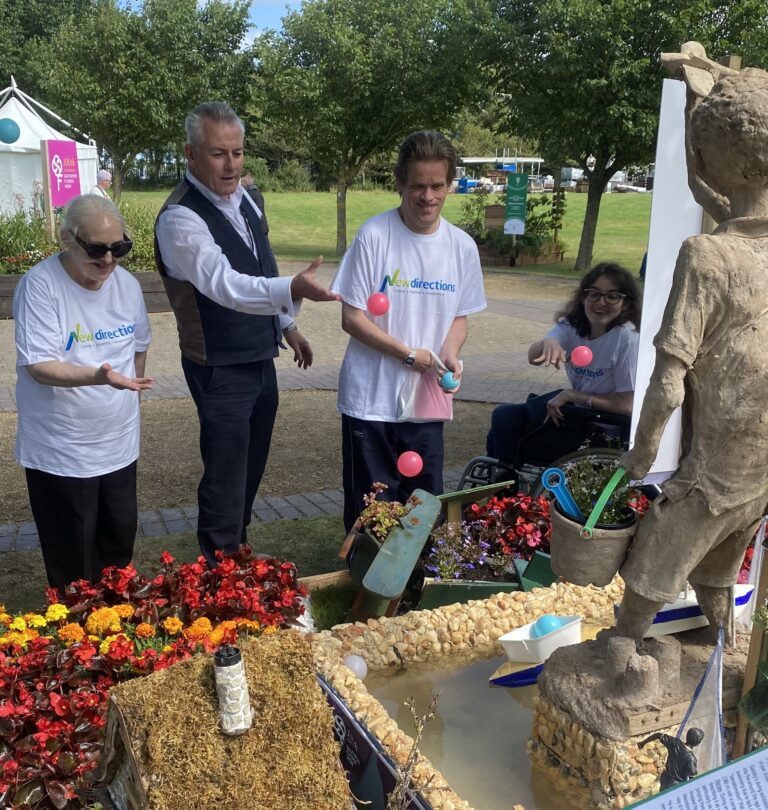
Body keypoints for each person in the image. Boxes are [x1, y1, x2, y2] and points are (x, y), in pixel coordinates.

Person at [618, 53, 768, 644]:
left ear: (711, 156)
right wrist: (693, 107)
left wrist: (643, 449)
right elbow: (704, 186)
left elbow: (668, 378)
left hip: (719, 456)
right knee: (730, 540)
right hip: (761, 449)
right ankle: (723, 638)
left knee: (669, 534)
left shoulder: (708, 256)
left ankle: (624, 643)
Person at [154, 100, 339, 566]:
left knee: (251, 465)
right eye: (219, 153)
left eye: (237, 152)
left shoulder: (251, 199)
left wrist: (288, 324)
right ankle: (220, 567)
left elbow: (263, 263)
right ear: (190, 154)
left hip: (259, 355)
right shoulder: (180, 217)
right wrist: (291, 289)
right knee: (226, 469)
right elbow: (223, 285)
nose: (232, 164)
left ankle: (237, 550)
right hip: (216, 363)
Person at [331, 130, 487, 532]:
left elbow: (460, 316)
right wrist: (406, 353)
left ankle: (417, 582)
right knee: (373, 507)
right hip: (371, 399)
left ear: (450, 184)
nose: (428, 197)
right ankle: (367, 583)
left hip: (426, 400)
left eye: (437, 186)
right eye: (418, 186)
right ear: (400, 183)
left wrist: (449, 352)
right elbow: (352, 317)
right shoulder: (374, 236)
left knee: (423, 505)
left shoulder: (461, 247)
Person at [13, 194, 152, 593]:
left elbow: (138, 346)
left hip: (117, 443)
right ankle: (76, 640)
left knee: (118, 548)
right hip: (62, 449)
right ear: (66, 240)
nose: (108, 260)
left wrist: (129, 400)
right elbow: (39, 366)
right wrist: (100, 377)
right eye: (96, 249)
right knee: (72, 562)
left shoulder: (126, 285)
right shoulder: (40, 286)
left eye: (119, 248)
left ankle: (116, 632)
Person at [486, 262, 641, 465]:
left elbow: (628, 405)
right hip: (577, 412)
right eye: (593, 294)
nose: (600, 302)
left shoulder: (626, 339)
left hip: (604, 425)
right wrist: (548, 342)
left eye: (612, 296)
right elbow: (533, 357)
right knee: (504, 416)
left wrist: (573, 395)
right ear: (583, 297)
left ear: (626, 303)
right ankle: (501, 478)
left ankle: (507, 478)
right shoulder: (574, 324)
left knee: (521, 436)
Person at [638, 728, 704, 789]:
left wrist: (642, 743)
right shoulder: (691, 759)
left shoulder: (675, 743)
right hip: (675, 786)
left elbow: (658, 735)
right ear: (698, 743)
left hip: (665, 778)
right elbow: (693, 778)